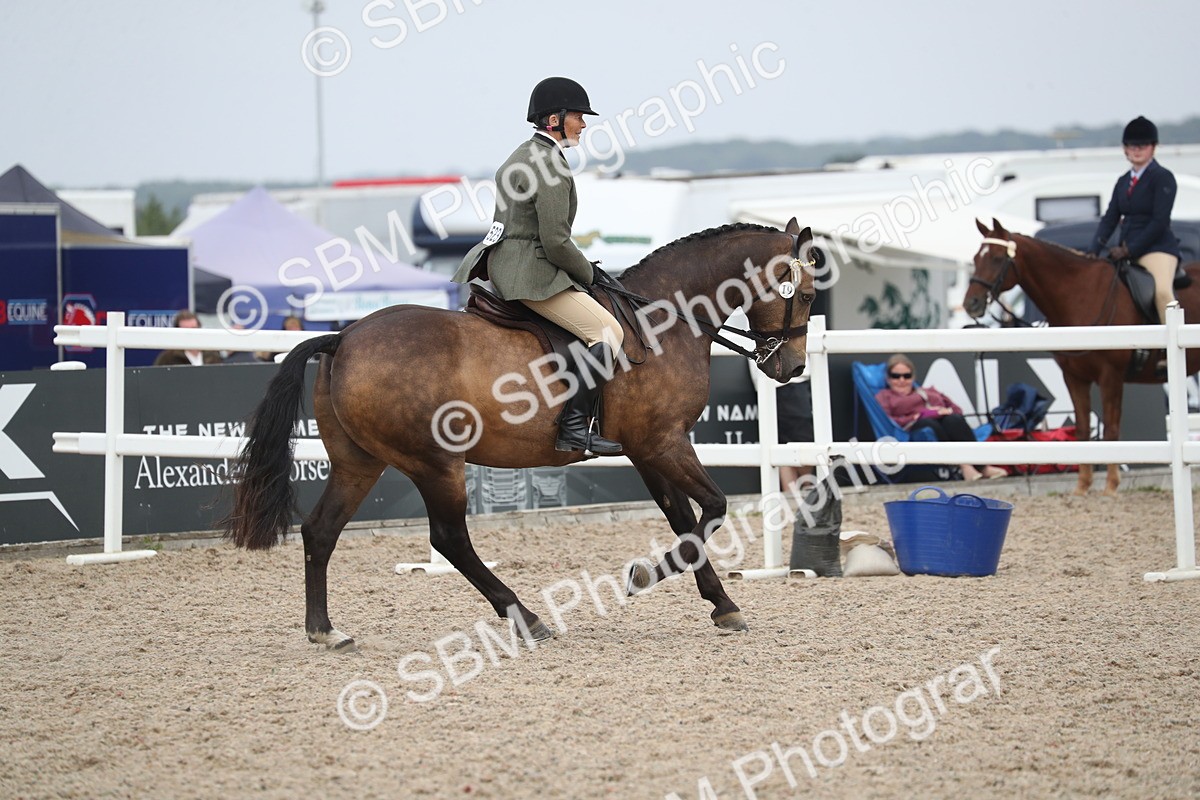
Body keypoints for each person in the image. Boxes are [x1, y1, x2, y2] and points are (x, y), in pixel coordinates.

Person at [452, 77, 625, 456]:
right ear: (554, 120)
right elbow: (556, 242)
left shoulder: (520, 155)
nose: (583, 124)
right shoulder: (548, 165)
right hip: (530, 273)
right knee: (609, 333)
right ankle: (574, 428)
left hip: (503, 262)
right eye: (578, 116)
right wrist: (589, 273)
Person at [1087, 116, 1181, 336]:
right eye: (1132, 145)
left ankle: (1173, 348)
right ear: (1124, 149)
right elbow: (1110, 218)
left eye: (1143, 145)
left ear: (1153, 148)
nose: (1137, 149)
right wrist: (1093, 249)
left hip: (1157, 249)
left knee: (1162, 293)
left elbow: (1160, 221)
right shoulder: (1122, 181)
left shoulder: (1163, 178)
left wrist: (1130, 250)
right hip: (1125, 250)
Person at [875, 354, 1005, 481]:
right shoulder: (884, 397)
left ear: (913, 377)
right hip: (912, 430)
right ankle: (963, 465)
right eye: (896, 376)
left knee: (953, 420)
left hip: (942, 423)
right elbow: (887, 421)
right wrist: (918, 416)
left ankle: (981, 466)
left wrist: (944, 411)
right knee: (930, 424)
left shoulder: (928, 392)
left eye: (906, 376)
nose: (901, 380)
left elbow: (957, 410)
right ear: (888, 378)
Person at [153, 310, 222, 366]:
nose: (190, 334)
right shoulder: (167, 359)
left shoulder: (213, 355)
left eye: (194, 328)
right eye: (185, 330)